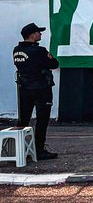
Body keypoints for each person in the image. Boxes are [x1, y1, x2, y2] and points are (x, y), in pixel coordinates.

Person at [12, 22, 59, 160]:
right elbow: (54, 64)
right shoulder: (39, 51)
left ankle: (18, 150)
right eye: (38, 32)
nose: (40, 34)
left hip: (24, 89)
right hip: (41, 89)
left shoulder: (17, 50)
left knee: (23, 120)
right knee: (42, 120)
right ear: (32, 35)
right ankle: (39, 149)